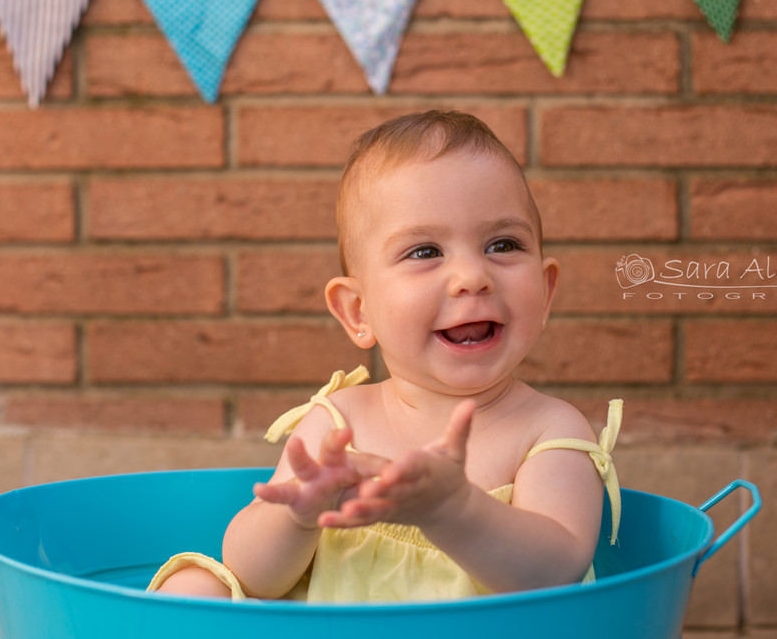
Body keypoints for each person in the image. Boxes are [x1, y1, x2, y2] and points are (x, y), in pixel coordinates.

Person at [148, 110, 622, 602]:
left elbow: (555, 572)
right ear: (358, 311)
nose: (471, 276)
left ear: (545, 294)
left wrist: (454, 511)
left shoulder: (549, 431)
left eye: (503, 244)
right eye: (424, 252)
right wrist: (297, 515)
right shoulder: (340, 424)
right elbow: (254, 575)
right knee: (193, 587)